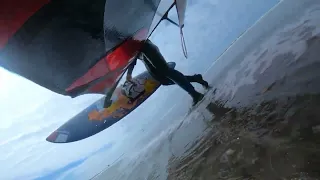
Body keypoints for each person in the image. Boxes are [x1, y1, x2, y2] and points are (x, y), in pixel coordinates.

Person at [126, 39, 209, 106]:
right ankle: (195, 78)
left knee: (167, 72)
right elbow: (131, 56)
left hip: (146, 48)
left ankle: (195, 94)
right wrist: (129, 73)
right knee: (164, 81)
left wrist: (129, 73)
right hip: (142, 56)